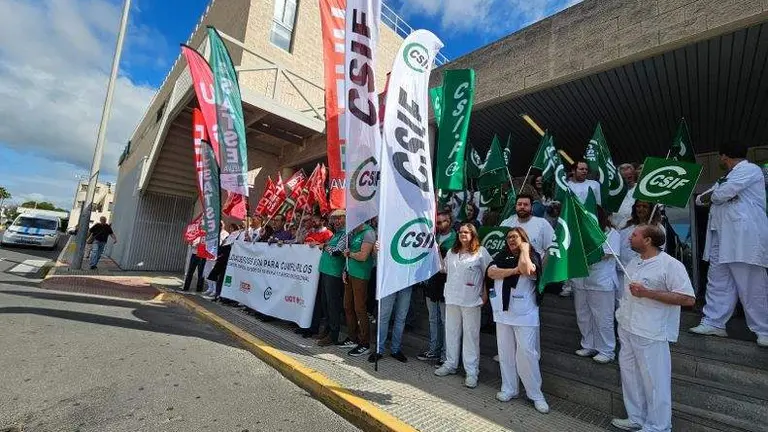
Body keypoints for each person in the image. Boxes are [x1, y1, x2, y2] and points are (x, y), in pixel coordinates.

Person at [611, 224, 695, 432]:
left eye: (635, 235)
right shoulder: (633, 262)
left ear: (648, 240)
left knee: (654, 381)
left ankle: (659, 426)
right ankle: (636, 418)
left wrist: (648, 293)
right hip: (628, 328)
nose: (629, 238)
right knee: (630, 376)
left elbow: (688, 298)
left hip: (652, 332)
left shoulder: (670, 265)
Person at [689, 140, 768, 347]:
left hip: (744, 237)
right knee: (718, 281)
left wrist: (715, 196)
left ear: (725, 156)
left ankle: (764, 329)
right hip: (721, 236)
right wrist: (716, 196)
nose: (721, 160)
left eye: (721, 157)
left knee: (752, 284)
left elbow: (722, 193)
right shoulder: (725, 177)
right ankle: (714, 322)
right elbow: (701, 199)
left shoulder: (751, 170)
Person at [486, 227, 550, 414]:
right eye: (508, 238)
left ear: (523, 238)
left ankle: (536, 394)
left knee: (527, 354)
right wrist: (513, 270)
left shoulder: (532, 255)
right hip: (503, 312)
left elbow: (527, 269)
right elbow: (491, 273)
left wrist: (525, 249)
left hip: (525, 314)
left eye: (515, 237)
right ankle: (509, 388)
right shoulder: (502, 254)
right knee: (505, 353)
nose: (510, 240)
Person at [435, 223, 493, 389]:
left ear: (473, 234)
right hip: (452, 297)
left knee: (471, 336)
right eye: (460, 232)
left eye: (466, 232)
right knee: (451, 332)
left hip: (471, 299)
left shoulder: (481, 252)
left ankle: (472, 372)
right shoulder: (452, 252)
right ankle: (450, 364)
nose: (462, 234)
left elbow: (489, 273)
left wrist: (485, 293)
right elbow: (443, 269)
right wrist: (436, 252)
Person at [572, 207, 621, 364]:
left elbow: (605, 254)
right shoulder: (579, 234)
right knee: (583, 315)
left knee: (603, 318)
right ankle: (589, 344)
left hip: (601, 282)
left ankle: (607, 350)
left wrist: (583, 255)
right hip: (581, 281)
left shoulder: (612, 234)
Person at [417, 211, 456, 365]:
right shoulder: (433, 236)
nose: (440, 225)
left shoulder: (455, 239)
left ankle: (446, 355)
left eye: (443, 222)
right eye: (437, 222)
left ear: (450, 221)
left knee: (446, 321)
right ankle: (434, 350)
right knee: (433, 319)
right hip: (431, 284)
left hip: (446, 284)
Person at [370, 240, 413, 363]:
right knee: (383, 316)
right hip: (389, 280)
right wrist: (376, 250)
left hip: (406, 281)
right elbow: (376, 258)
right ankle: (379, 350)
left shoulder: (411, 234)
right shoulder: (387, 231)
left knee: (401, 317)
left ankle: (396, 349)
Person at [296, 214, 337, 338]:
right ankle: (304, 325)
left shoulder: (328, 234)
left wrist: (319, 244)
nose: (313, 222)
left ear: (323, 221)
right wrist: (302, 225)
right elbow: (299, 242)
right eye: (312, 220)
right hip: (307, 273)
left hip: (320, 272)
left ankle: (314, 327)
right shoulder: (311, 233)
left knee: (317, 301)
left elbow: (329, 249)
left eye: (316, 219)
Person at [341, 222, 376, 357]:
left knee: (360, 308)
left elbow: (363, 256)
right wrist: (345, 269)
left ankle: (364, 343)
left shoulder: (369, 232)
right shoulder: (355, 232)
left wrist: (350, 254)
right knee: (347, 306)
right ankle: (352, 337)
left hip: (361, 275)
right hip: (350, 273)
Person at [316, 210, 349, 348]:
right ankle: (328, 329)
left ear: (346, 219)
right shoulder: (336, 234)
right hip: (325, 271)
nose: (336, 221)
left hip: (334, 274)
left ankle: (333, 334)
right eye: (334, 219)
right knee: (325, 303)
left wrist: (325, 246)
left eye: (339, 218)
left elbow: (336, 252)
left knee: (333, 304)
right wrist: (327, 246)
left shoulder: (346, 234)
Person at [500, 194, 554, 258]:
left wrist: (542, 266)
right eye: (519, 204)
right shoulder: (506, 223)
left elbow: (550, 248)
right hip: (508, 265)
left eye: (526, 204)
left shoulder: (542, 223)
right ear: (515, 206)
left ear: (531, 207)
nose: (522, 207)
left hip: (535, 265)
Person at [204, 223, 244, 301]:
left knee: (226, 280)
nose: (231, 230)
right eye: (231, 228)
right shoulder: (229, 236)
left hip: (230, 261)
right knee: (219, 278)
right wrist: (223, 244)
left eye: (233, 228)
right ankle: (218, 295)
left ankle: (222, 296)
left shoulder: (238, 236)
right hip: (222, 259)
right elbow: (223, 246)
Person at [202, 222, 229, 297]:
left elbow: (223, 244)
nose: (219, 227)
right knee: (207, 273)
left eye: (220, 225)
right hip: (209, 255)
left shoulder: (225, 234)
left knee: (214, 273)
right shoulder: (214, 233)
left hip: (217, 256)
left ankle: (214, 290)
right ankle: (210, 288)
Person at [611, 163, 639, 228]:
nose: (627, 180)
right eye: (624, 178)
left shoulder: (641, 189)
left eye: (629, 177)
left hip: (637, 229)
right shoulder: (614, 192)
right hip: (617, 230)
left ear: (634, 175)